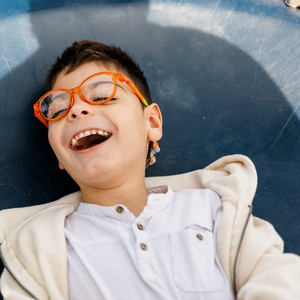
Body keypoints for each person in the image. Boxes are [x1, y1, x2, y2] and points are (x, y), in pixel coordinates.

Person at [0, 40, 300, 300]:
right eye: (57, 110)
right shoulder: (38, 248)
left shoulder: (215, 211)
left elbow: (280, 281)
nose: (77, 110)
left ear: (152, 123)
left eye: (103, 94)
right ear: (59, 155)